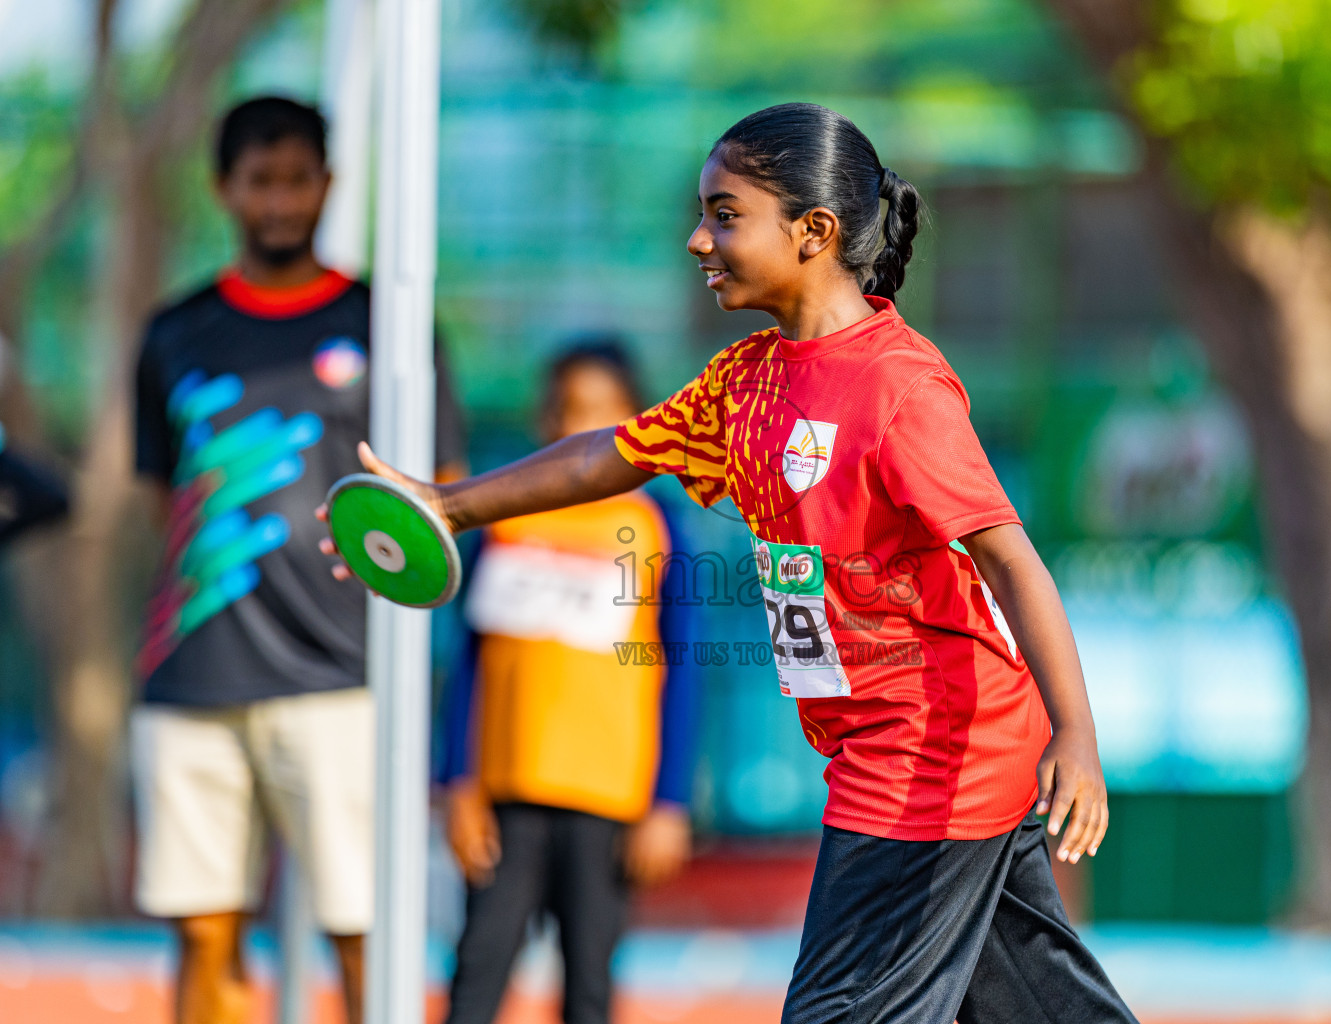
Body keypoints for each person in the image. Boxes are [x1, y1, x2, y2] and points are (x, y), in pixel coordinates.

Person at [322, 102, 1135, 1024]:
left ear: (814, 231)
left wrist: (1078, 732)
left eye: (724, 213)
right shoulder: (744, 380)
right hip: (898, 747)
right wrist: (448, 505)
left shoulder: (899, 387)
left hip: (929, 750)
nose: (696, 238)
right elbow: (610, 455)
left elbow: (1009, 560)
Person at [132, 96, 465, 1024]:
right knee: (203, 933)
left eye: (297, 180)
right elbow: (167, 501)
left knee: (364, 928)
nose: (280, 203)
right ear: (223, 189)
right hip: (192, 673)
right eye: (259, 182)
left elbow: (440, 489)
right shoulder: (173, 332)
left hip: (340, 674)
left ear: (327, 183)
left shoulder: (387, 324)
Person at [437, 341, 701, 1024]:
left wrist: (667, 801)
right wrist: (457, 782)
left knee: (589, 988)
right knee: (477, 973)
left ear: (636, 421)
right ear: (543, 419)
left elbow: (683, 667)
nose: (578, 425)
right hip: (507, 791)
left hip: (608, 796)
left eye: (599, 411)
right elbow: (469, 661)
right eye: (565, 409)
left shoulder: (656, 526)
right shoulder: (504, 519)